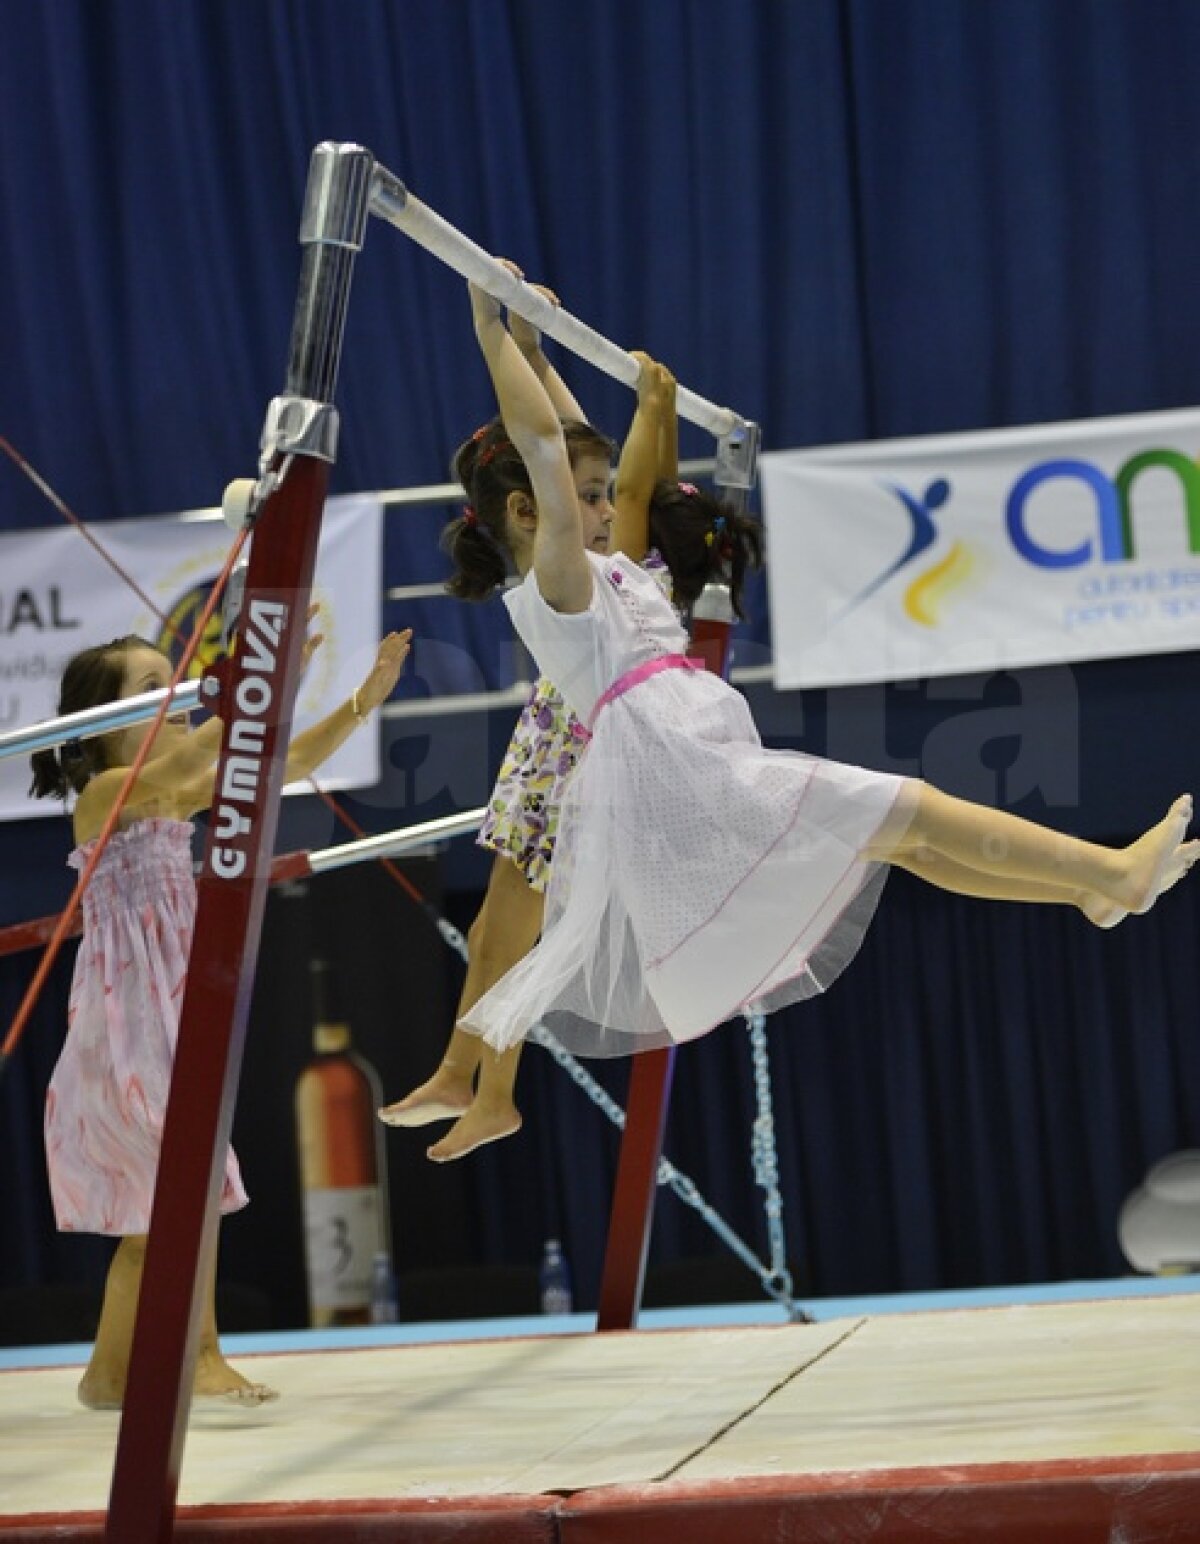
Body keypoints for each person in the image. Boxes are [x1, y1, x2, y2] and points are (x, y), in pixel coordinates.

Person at [444, 273, 1197, 1060]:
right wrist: (486, 319)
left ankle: (1088, 889)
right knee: (917, 807)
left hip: (695, 757)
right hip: (680, 773)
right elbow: (541, 448)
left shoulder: (601, 568)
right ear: (531, 514)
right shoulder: (557, 586)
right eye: (587, 499)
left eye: (601, 496)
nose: (604, 510)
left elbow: (560, 439)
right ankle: (1111, 870)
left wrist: (532, 339)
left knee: (903, 838)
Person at [379, 273, 761, 1159]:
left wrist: (499, 331)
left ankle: (493, 1088)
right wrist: (537, 343)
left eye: (612, 491)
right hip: (557, 741)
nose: (604, 497)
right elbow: (583, 449)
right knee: (495, 929)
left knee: (519, 928)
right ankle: (460, 1069)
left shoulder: (625, 547)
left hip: (580, 753)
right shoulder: (629, 549)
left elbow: (578, 454)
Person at [30, 622, 411, 1407]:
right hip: (129, 1016)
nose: (172, 699)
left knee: (154, 1214)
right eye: (149, 689)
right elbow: (197, 752)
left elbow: (283, 765)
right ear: (97, 722)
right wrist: (261, 686)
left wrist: (357, 701)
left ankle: (106, 1377)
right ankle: (198, 1357)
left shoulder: (173, 788)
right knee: (188, 1191)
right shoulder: (107, 793)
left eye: (176, 682)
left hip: (170, 1006)